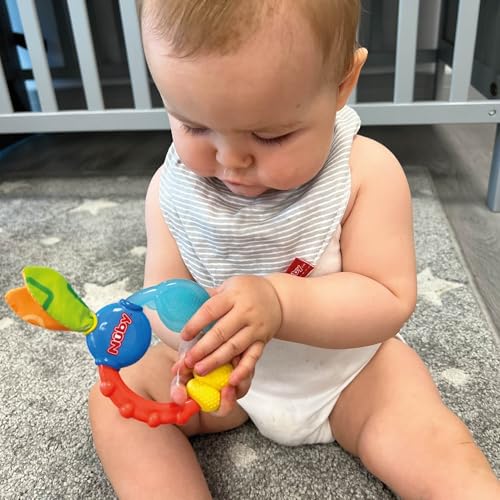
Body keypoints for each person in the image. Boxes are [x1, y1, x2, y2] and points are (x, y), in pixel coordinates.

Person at [89, 1, 500, 498]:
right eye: (193, 125)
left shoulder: (364, 174)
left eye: (271, 135)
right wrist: (201, 349)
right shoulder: (170, 191)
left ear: (343, 83)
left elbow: (388, 297)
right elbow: (161, 297)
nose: (231, 159)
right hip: (225, 382)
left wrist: (281, 303)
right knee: (116, 401)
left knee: (429, 442)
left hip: (347, 374)